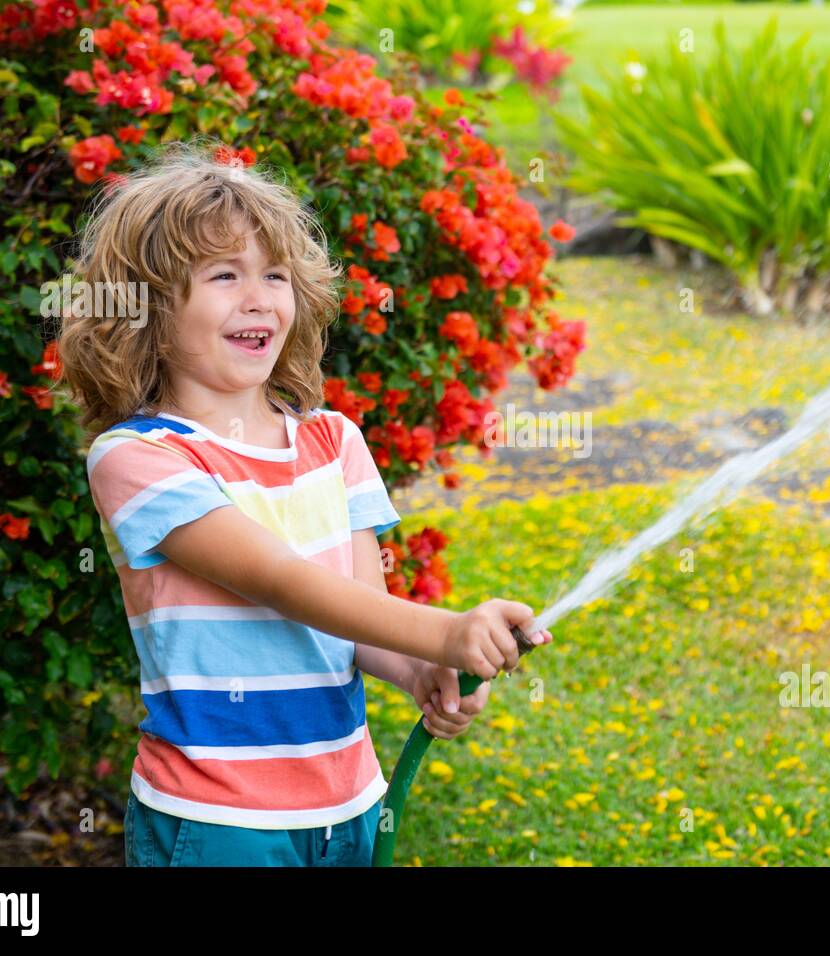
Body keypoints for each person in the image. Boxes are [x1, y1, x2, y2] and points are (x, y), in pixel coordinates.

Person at [57, 141, 552, 866]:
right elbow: (284, 583)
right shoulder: (140, 457)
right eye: (224, 276)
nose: (259, 297)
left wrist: (420, 671)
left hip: (350, 805)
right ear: (149, 313)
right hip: (216, 818)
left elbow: (356, 613)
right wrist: (444, 632)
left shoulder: (334, 442)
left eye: (277, 276)